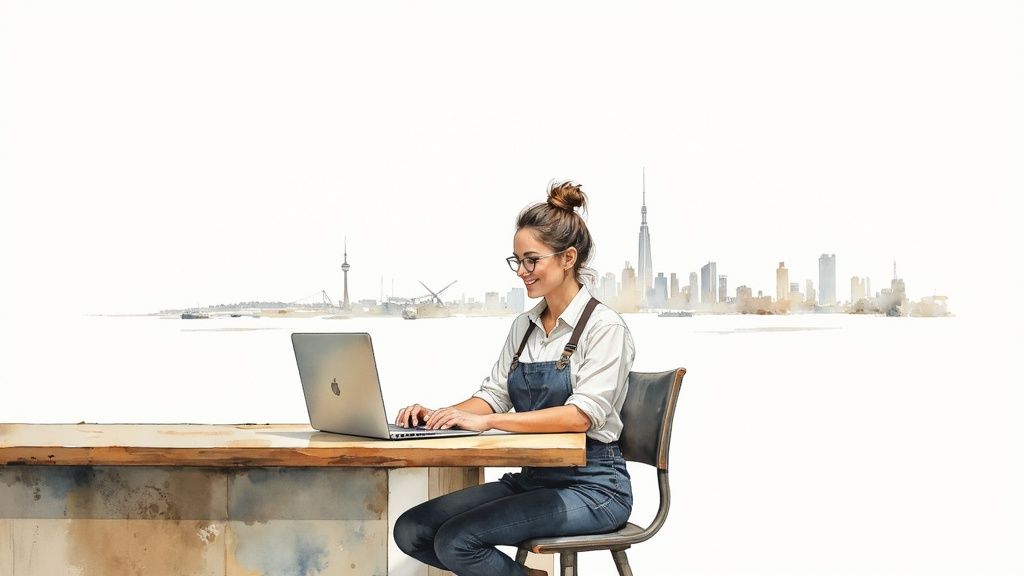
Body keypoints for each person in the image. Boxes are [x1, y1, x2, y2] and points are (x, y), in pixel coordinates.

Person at [392, 181, 636, 576]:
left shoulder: (605, 328)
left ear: (568, 258)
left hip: (594, 487)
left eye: (531, 260)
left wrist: (487, 422)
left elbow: (580, 417)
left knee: (458, 540)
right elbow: (493, 395)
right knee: (413, 530)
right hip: (534, 477)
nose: (522, 272)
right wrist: (442, 414)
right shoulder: (524, 326)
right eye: (517, 261)